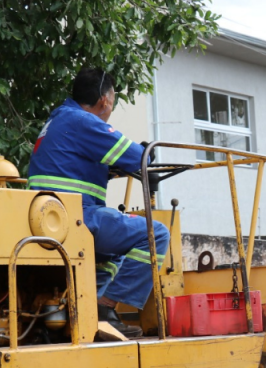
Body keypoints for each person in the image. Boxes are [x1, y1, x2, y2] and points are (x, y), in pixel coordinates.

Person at [27, 67, 169, 339]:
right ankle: (104, 309)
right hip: (76, 215)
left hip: (52, 216)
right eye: (112, 101)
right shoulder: (84, 121)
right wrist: (146, 152)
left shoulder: (58, 119)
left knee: (113, 254)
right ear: (104, 100)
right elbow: (137, 157)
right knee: (156, 234)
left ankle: (86, 309)